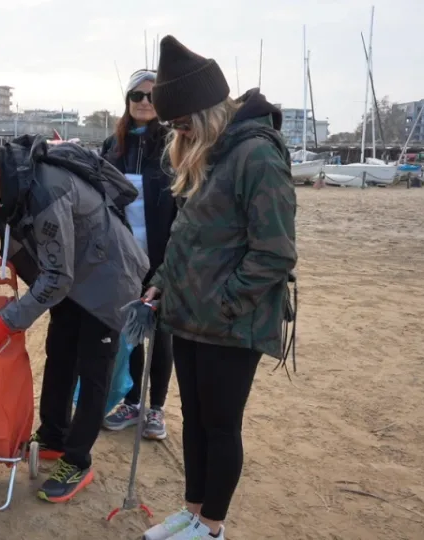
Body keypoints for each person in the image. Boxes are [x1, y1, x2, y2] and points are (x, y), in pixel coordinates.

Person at [140, 36, 297, 540]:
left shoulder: (256, 156)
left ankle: (211, 527)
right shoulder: (206, 152)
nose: (176, 133)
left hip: (230, 322)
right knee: (194, 418)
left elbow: (274, 252)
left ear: (204, 110)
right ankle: (192, 511)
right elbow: (187, 236)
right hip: (188, 316)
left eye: (181, 122)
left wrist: (226, 303)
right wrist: (161, 284)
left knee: (222, 425)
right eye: (171, 126)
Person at [0, 134, 149, 504]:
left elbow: (57, 277)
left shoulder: (47, 191)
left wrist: (8, 321)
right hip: (66, 279)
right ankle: (53, 434)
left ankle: (78, 459)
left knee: (93, 367)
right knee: (60, 351)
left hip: (106, 278)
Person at [100, 69, 178, 441]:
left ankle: (156, 408)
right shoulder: (111, 147)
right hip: (123, 258)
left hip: (162, 257)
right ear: (127, 101)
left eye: (151, 95)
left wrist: (170, 264)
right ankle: (133, 400)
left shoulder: (175, 147)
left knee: (161, 334)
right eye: (136, 95)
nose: (144, 101)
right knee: (129, 329)